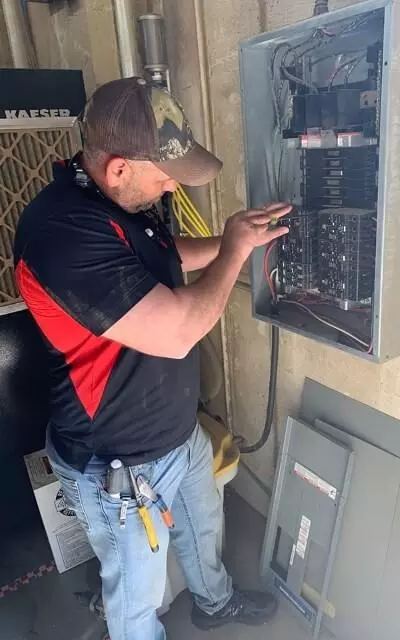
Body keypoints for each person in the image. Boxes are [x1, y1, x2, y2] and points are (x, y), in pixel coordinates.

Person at [13, 77, 290, 640]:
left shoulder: (111, 196)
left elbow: (161, 250)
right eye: (164, 176)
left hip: (172, 433)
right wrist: (235, 252)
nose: (170, 189)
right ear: (118, 168)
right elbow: (176, 332)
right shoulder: (60, 234)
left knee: (202, 528)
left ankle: (215, 604)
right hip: (115, 459)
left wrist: (229, 237)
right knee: (136, 597)